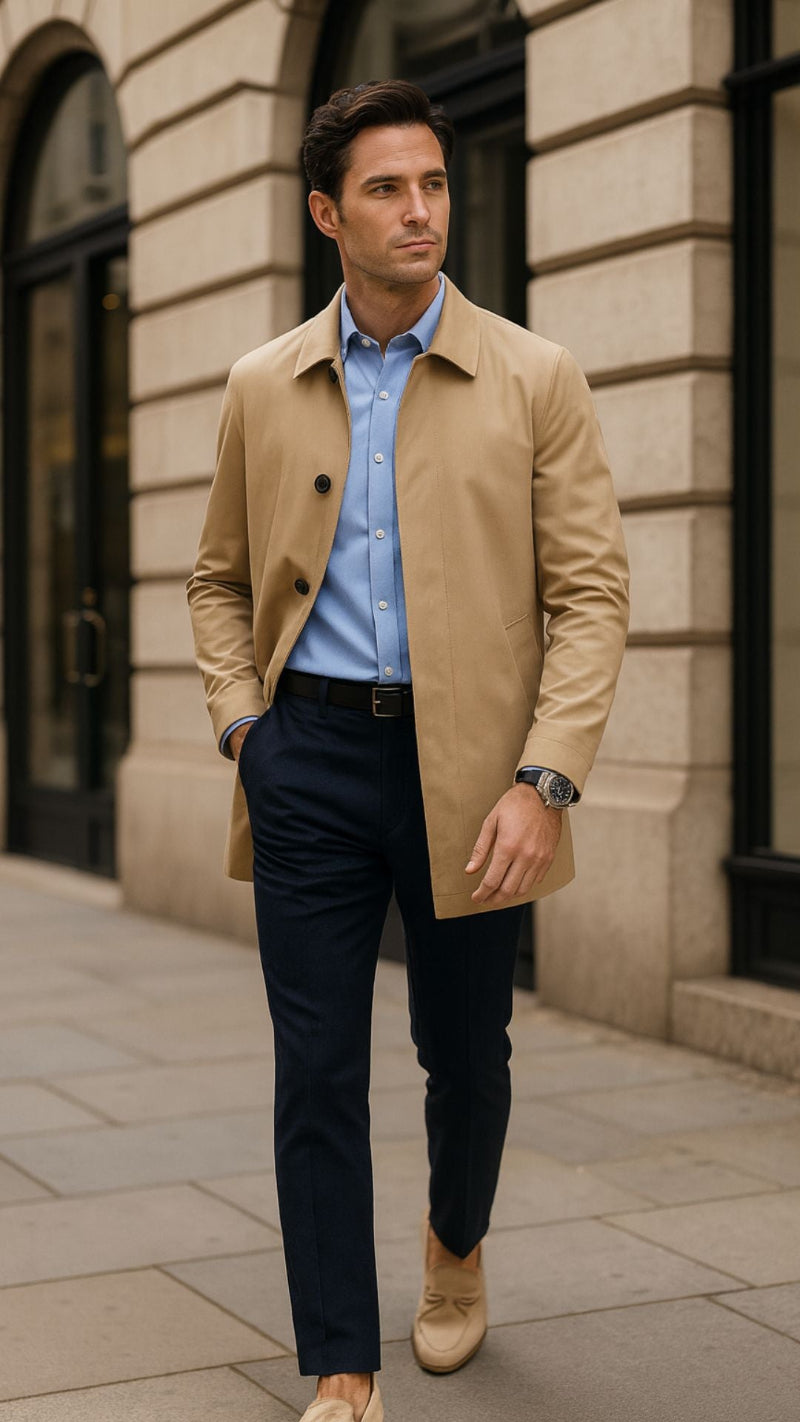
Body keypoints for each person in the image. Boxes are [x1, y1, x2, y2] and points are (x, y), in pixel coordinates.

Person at [187, 79, 629, 1422]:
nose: (419, 208)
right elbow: (213, 576)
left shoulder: (534, 376)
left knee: (468, 1053)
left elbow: (593, 595)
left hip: (477, 773)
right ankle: (339, 1358)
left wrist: (546, 779)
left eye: (432, 182)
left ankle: (454, 1242)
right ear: (328, 212)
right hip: (308, 754)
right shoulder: (263, 383)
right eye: (386, 188)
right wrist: (242, 722)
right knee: (314, 1065)